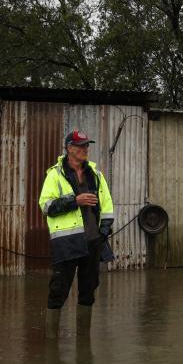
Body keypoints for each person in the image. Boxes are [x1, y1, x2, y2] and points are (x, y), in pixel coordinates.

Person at [39, 130, 115, 338]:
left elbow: (107, 206)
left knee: (88, 291)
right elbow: (46, 206)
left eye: (87, 146)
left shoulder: (96, 175)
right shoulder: (55, 175)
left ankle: (83, 341)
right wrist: (75, 201)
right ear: (69, 148)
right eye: (80, 146)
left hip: (92, 242)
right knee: (58, 290)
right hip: (66, 243)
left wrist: (103, 233)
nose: (85, 149)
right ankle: (51, 342)